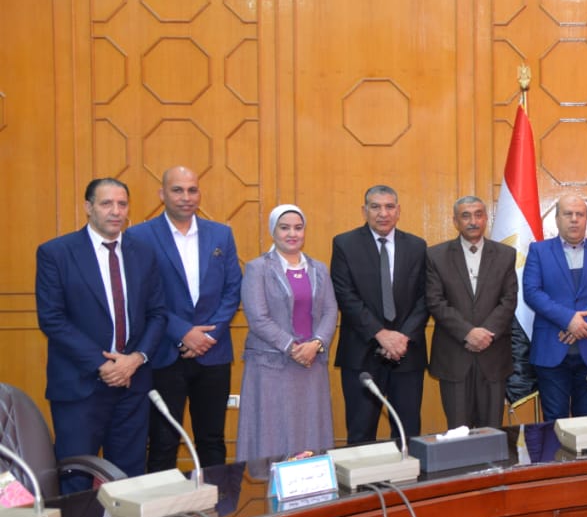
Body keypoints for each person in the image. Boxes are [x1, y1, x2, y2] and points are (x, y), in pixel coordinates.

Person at [35, 178, 166, 487]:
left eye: (122, 204)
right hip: (80, 386)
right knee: (76, 480)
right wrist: (102, 364)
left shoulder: (144, 253)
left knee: (130, 482)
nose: (116, 211)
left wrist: (136, 359)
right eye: (107, 204)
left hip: (133, 384)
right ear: (88, 207)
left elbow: (158, 313)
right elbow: (52, 319)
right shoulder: (57, 253)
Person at [130, 166, 243, 472]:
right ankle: (165, 505)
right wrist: (183, 332)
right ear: (162, 194)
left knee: (212, 439)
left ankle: (217, 501)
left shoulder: (220, 234)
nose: (186, 197)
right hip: (164, 352)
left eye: (192, 190)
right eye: (177, 190)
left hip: (213, 353)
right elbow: (140, 296)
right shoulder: (139, 236)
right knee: (163, 442)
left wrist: (209, 336)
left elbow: (233, 288)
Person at [331, 186, 430, 446]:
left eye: (389, 207)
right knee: (361, 435)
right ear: (364, 211)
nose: (382, 213)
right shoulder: (344, 244)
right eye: (375, 207)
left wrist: (402, 338)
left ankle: (407, 475)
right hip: (361, 354)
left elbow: (425, 298)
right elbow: (345, 295)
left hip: (407, 354)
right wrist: (380, 334)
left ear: (398, 211)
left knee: (408, 433)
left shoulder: (417, 246)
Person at [237, 204, 337, 460]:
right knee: (274, 437)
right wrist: (293, 348)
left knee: (309, 435)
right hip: (272, 367)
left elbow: (330, 311)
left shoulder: (319, 269)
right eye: (284, 228)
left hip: (311, 365)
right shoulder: (258, 268)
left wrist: (316, 344)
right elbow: (258, 318)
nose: (292, 234)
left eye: (298, 228)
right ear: (273, 231)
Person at [523, 195, 587, 421]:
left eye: (580, 214)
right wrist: (568, 320)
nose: (574, 219)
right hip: (551, 351)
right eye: (568, 214)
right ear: (557, 218)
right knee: (554, 421)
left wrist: (582, 322)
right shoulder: (539, 250)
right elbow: (532, 292)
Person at [425, 196, 518, 429]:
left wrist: (486, 334)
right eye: (465, 216)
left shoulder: (506, 254)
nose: (473, 221)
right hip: (454, 355)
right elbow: (435, 301)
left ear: (486, 218)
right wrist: (468, 333)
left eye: (478, 214)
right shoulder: (436, 255)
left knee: (491, 430)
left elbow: (509, 300)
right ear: (455, 221)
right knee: (458, 432)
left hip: (493, 355)